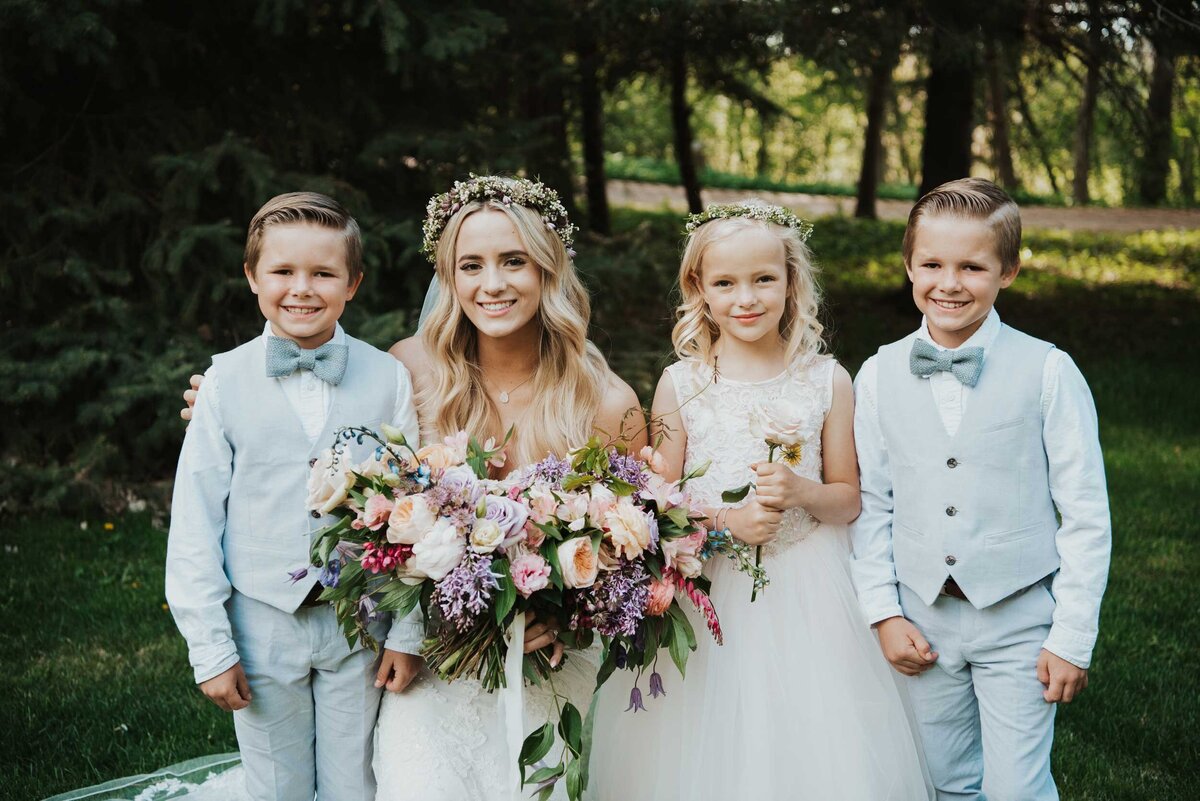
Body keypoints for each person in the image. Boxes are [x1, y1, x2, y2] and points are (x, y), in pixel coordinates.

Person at [589, 201, 933, 800]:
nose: (745, 298)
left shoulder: (827, 379)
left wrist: (802, 492)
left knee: (810, 737)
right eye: (725, 283)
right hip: (707, 587)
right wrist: (726, 520)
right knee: (702, 744)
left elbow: (848, 499)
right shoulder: (682, 383)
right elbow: (656, 504)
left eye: (763, 279)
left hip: (810, 587)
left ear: (790, 281)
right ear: (699, 288)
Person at [372, 175, 644, 801]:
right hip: (436, 663)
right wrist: (218, 403)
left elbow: (635, 552)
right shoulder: (412, 369)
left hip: (551, 666)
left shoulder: (605, 403)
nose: (491, 284)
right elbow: (362, 490)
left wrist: (570, 616)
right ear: (449, 277)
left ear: (548, 270)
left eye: (513, 261)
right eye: (472, 265)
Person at [850, 178, 1111, 800]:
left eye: (972, 266)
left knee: (1018, 788)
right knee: (942, 781)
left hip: (1019, 616)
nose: (949, 282)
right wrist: (883, 612)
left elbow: (1086, 516)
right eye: (932, 264)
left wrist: (1071, 636)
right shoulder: (879, 373)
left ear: (1009, 271)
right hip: (921, 617)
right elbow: (874, 505)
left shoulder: (1049, 370)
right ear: (909, 266)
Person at [166, 192, 423, 801]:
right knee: (275, 784)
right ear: (253, 276)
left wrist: (406, 634)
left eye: (323, 273)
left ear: (353, 283)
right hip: (259, 624)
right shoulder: (225, 381)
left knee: (355, 783)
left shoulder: (388, 378)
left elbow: (416, 512)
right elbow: (195, 520)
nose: (301, 288)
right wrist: (210, 647)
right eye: (282, 271)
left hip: (357, 622)